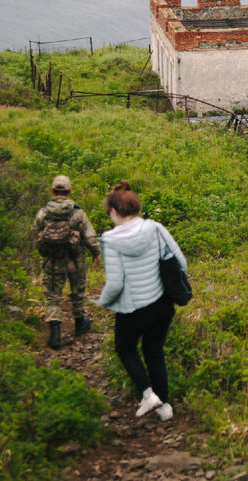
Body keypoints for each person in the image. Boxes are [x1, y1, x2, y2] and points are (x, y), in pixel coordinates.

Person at [98, 180, 186, 421]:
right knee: (154, 351)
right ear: (136, 208)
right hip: (162, 306)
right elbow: (181, 263)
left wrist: (103, 301)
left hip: (132, 310)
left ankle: (148, 395)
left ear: (114, 212)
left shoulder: (111, 240)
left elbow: (115, 284)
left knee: (125, 348)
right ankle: (164, 407)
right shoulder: (156, 228)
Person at [33, 175, 100, 349]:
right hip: (75, 261)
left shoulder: (43, 213)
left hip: (52, 261)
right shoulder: (77, 213)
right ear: (69, 192)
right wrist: (96, 253)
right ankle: (79, 324)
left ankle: (55, 333)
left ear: (52, 191)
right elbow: (90, 236)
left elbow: (36, 233)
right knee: (78, 291)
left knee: (53, 296)